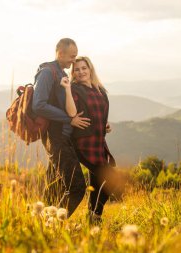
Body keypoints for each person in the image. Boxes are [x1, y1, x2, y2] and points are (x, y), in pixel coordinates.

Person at [32, 38, 90, 217]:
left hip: (62, 137)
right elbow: (38, 105)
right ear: (60, 53)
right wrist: (68, 119)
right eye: (72, 57)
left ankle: (39, 228)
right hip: (55, 138)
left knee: (54, 187)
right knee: (77, 187)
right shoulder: (48, 73)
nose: (74, 61)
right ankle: (54, 226)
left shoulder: (60, 72)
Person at [60, 56, 117, 223]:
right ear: (73, 73)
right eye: (76, 69)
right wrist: (67, 89)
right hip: (82, 143)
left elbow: (99, 112)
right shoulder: (74, 89)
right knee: (109, 177)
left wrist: (104, 124)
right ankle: (95, 215)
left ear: (90, 69)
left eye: (84, 68)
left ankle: (93, 217)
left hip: (98, 141)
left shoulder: (100, 90)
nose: (81, 72)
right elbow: (71, 112)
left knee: (98, 180)